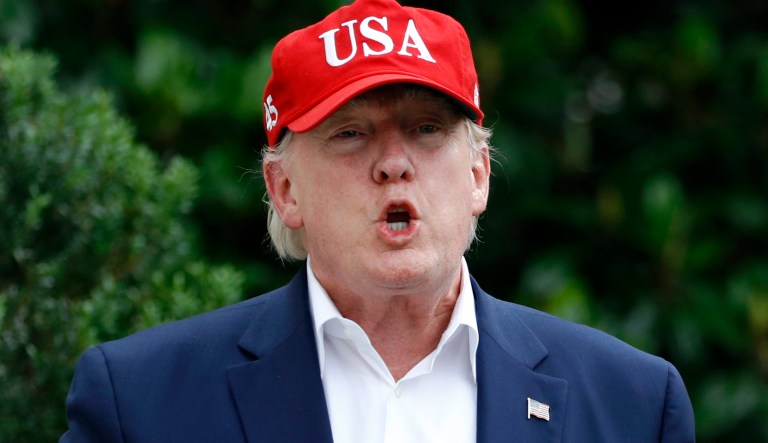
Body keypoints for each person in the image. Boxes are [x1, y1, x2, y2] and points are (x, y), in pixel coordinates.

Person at [60, 0, 695, 441]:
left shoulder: (632, 403)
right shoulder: (140, 402)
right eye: (350, 134)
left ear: (479, 175)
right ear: (284, 190)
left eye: (425, 129)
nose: (393, 163)